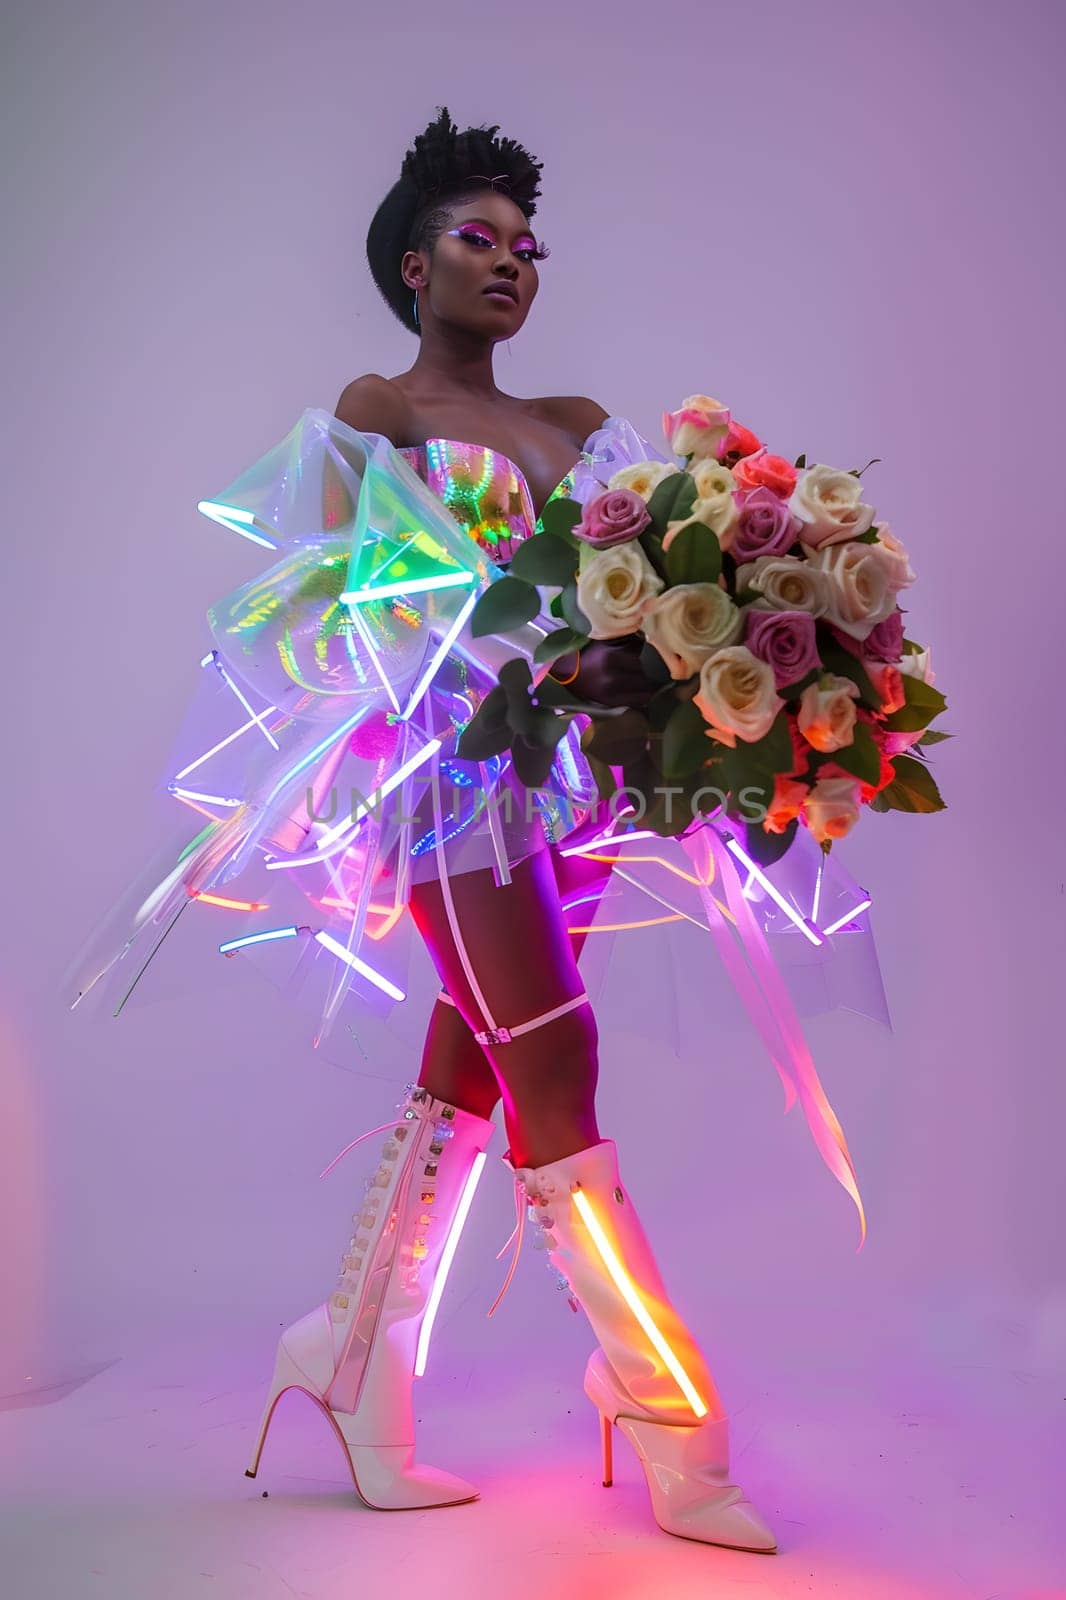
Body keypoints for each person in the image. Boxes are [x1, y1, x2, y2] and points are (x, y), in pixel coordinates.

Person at [238, 106, 779, 1554]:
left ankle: (345, 1358)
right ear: (410, 267)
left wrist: (655, 664)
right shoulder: (377, 411)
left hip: (579, 778)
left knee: (481, 1057)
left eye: (527, 246)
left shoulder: (579, 427)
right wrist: (469, 658)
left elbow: (622, 600)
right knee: (556, 1049)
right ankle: (667, 1407)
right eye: (476, 240)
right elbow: (315, 615)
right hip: (447, 771)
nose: (510, 264)